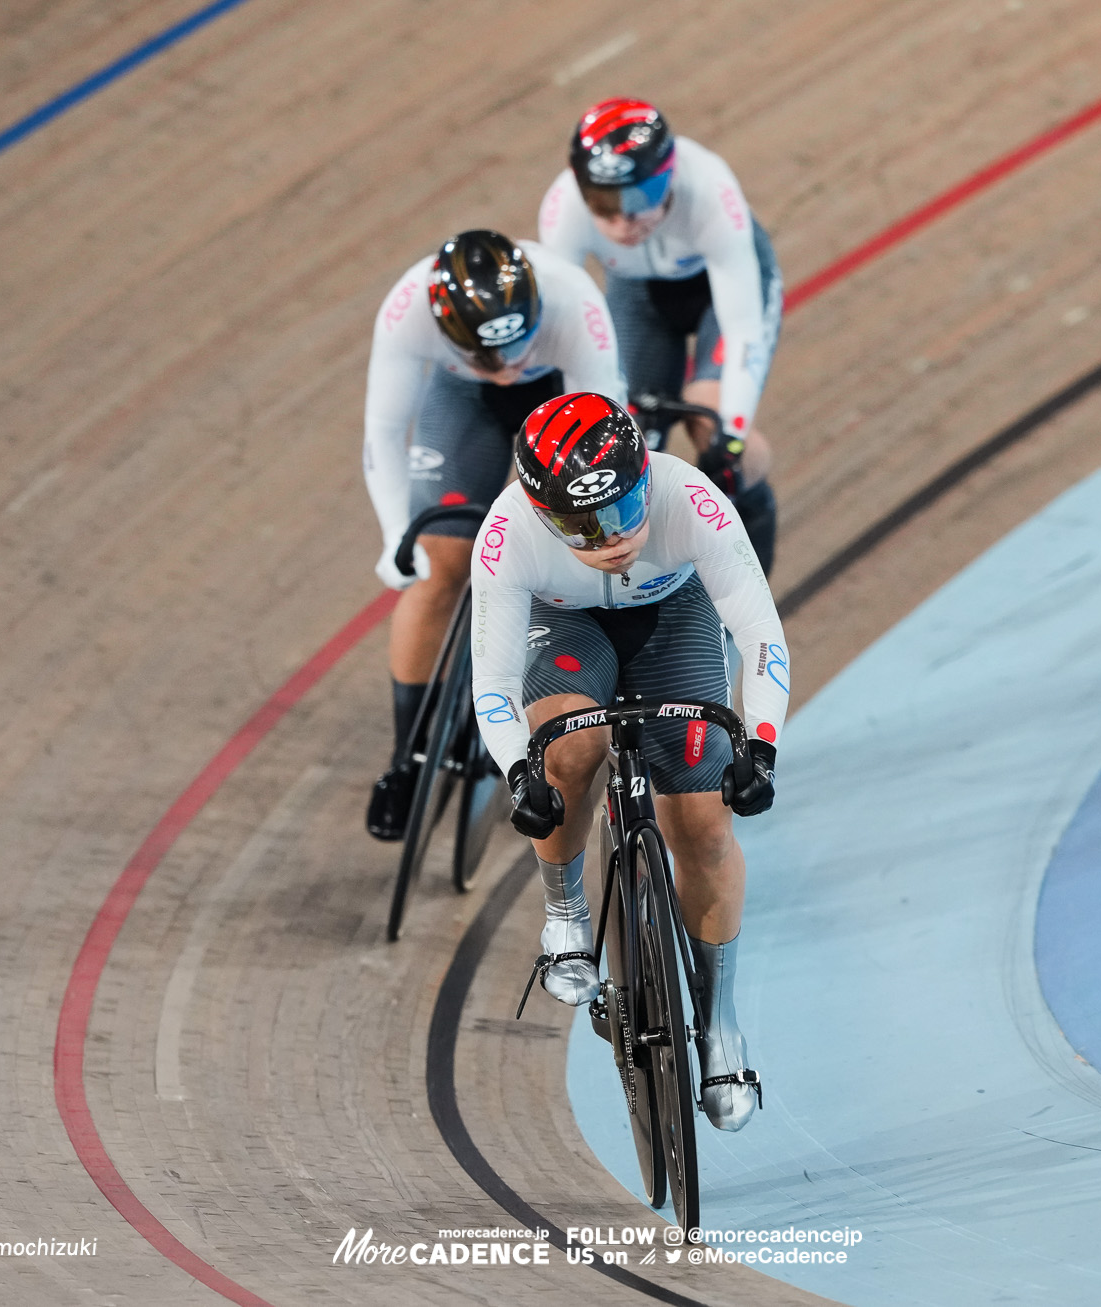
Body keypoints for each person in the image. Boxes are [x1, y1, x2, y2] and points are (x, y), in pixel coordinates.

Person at [469, 391, 787, 1131]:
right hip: (566, 623)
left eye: (623, 509)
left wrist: (761, 745)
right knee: (569, 747)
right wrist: (521, 771)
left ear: (646, 473)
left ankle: (720, 1022)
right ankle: (566, 910)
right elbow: (493, 681)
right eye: (582, 526)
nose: (612, 539)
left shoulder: (690, 499)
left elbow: (762, 635)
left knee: (704, 826)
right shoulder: (507, 532)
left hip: (672, 614)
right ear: (540, 511)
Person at [363, 230, 626, 840]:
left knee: (566, 551)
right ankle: (406, 758)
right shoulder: (408, 310)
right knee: (438, 566)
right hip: (465, 402)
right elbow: (382, 432)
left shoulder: (574, 303)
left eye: (513, 350)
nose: (506, 368)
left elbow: (606, 437)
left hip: (561, 398)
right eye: (488, 357)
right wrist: (395, 535)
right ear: (449, 334)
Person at [537, 98, 783, 574]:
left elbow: (743, 329)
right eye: (604, 206)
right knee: (618, 443)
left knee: (710, 421)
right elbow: (570, 331)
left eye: (637, 200)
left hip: (719, 294)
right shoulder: (563, 209)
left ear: (668, 177)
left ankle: (752, 581)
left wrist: (730, 439)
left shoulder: (709, 189)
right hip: (639, 298)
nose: (621, 223)